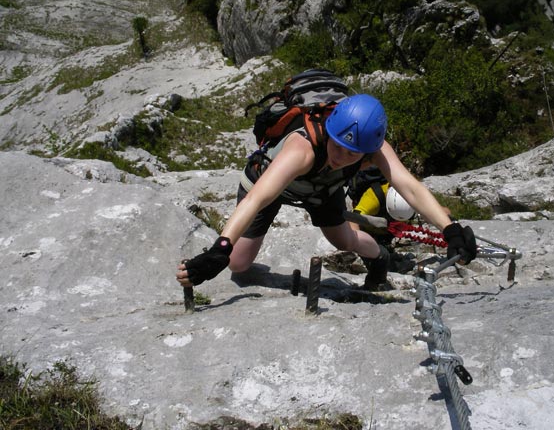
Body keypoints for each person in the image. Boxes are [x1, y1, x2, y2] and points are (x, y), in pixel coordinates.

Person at [176, 94, 477, 291]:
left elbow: (408, 184)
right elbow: (258, 198)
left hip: (322, 188)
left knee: (343, 239)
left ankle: (380, 258)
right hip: (269, 181)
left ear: (368, 150)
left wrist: (448, 229)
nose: (341, 157)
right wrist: (221, 248)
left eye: (352, 155)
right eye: (338, 146)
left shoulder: (372, 148)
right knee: (238, 265)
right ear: (330, 132)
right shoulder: (302, 150)